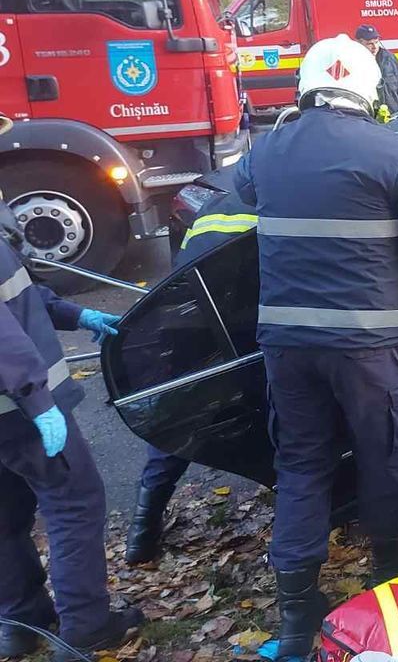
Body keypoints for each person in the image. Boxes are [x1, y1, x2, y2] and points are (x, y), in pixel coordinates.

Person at [233, 34, 398, 660]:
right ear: (370, 93)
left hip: (289, 347)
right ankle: (391, 574)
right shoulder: (391, 151)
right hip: (371, 346)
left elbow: (239, 194)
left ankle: (296, 618)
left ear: (306, 87)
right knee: (384, 454)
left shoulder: (267, 151)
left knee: (300, 465)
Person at [0, 116, 142, 660]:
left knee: (5, 514)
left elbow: (19, 295)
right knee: (73, 501)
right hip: (19, 409)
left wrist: (76, 313)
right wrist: (38, 401)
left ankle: (20, 624)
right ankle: (86, 624)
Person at [122, 189, 258, 565]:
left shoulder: (219, 202)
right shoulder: (286, 203)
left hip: (182, 319)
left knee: (179, 416)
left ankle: (142, 530)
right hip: (232, 323)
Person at [355, 24, 398, 113]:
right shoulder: (352, 61)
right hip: (368, 117)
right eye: (369, 43)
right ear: (358, 43)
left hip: (393, 114)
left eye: (376, 42)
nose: (374, 47)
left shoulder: (389, 58)